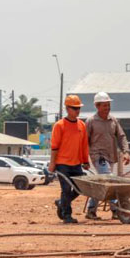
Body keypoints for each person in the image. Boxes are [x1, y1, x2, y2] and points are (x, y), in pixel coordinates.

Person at [84, 91, 130, 220]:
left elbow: (121, 136)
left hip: (111, 156)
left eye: (108, 105)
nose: (107, 108)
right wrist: (84, 159)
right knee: (109, 178)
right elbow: (84, 141)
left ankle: (91, 211)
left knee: (102, 183)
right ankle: (117, 209)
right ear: (97, 106)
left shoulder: (113, 120)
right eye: (104, 105)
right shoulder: (91, 121)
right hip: (98, 156)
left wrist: (125, 152)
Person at [49, 94, 90, 224]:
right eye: (74, 108)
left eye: (78, 108)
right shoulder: (59, 125)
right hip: (62, 164)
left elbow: (84, 145)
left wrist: (85, 161)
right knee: (66, 189)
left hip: (76, 164)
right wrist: (52, 164)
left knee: (81, 188)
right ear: (67, 108)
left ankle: (62, 203)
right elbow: (54, 147)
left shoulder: (82, 125)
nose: (77, 111)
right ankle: (67, 216)